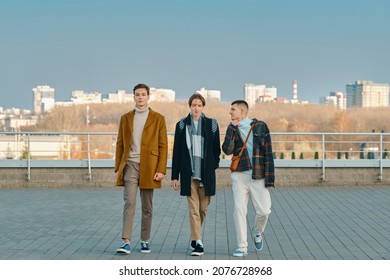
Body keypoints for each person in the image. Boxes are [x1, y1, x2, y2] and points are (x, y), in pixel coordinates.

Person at [114, 83, 168, 254]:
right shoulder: (126, 118)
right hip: (130, 164)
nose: (140, 97)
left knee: (147, 206)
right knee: (129, 202)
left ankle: (145, 240)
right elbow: (120, 143)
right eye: (137, 94)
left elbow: (163, 146)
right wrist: (118, 166)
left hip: (150, 166)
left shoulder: (158, 118)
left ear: (148, 96)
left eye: (143, 94)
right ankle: (126, 241)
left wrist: (161, 169)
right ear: (134, 97)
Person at [222, 100, 275, 257]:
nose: (230, 112)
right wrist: (231, 130)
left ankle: (257, 231)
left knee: (264, 211)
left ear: (242, 111)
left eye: (233, 109)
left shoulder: (260, 126)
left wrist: (269, 178)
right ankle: (242, 246)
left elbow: (268, 153)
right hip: (239, 175)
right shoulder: (232, 128)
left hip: (258, 175)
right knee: (239, 209)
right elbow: (226, 150)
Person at [171, 93, 221, 256]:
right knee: (193, 208)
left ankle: (195, 235)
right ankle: (198, 242)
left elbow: (216, 149)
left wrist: (213, 165)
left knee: (203, 208)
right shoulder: (181, 125)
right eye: (193, 105)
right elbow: (177, 152)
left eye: (199, 105)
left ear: (203, 106)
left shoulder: (212, 124)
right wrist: (174, 176)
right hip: (188, 172)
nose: (196, 108)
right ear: (190, 106)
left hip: (206, 173)